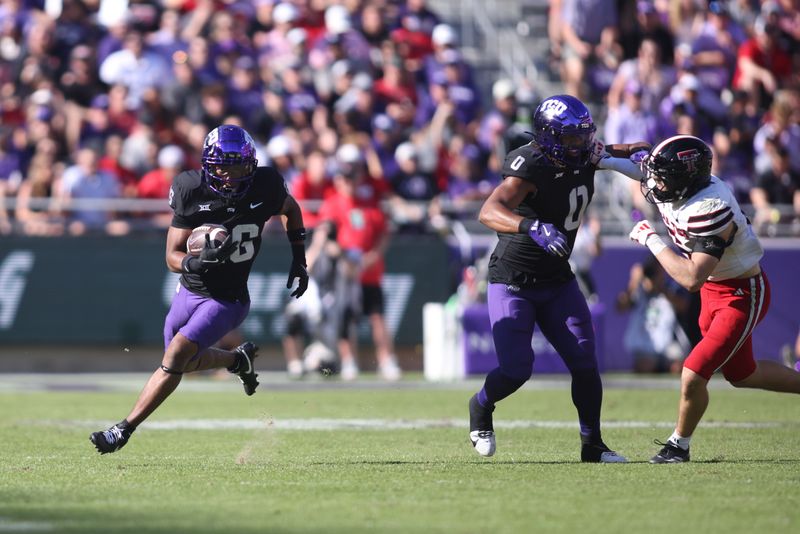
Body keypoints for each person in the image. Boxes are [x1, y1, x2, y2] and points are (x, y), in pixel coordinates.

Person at [90, 124, 309, 454]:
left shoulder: (266, 184)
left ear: (251, 164)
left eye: (239, 165)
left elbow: (291, 209)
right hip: (190, 289)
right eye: (223, 165)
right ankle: (237, 361)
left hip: (228, 297)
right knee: (180, 363)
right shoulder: (190, 188)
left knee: (177, 355)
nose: (231, 173)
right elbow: (171, 256)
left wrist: (299, 258)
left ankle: (123, 429)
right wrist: (197, 262)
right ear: (209, 164)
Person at [468, 94, 648, 462]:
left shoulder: (582, 153)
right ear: (550, 137)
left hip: (558, 279)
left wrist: (634, 149)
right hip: (514, 278)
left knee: (585, 362)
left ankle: (592, 445)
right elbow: (488, 211)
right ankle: (481, 406)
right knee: (517, 370)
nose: (580, 145)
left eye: (583, 136)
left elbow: (607, 151)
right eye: (571, 138)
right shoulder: (531, 162)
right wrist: (530, 225)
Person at [600, 134, 800, 463]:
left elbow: (692, 277)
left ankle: (678, 445)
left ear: (684, 180)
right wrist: (602, 160)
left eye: (663, 178)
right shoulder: (677, 182)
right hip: (715, 289)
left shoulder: (711, 207)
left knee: (693, 372)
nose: (654, 183)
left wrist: (651, 239)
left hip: (740, 293)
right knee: (743, 375)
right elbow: (639, 166)